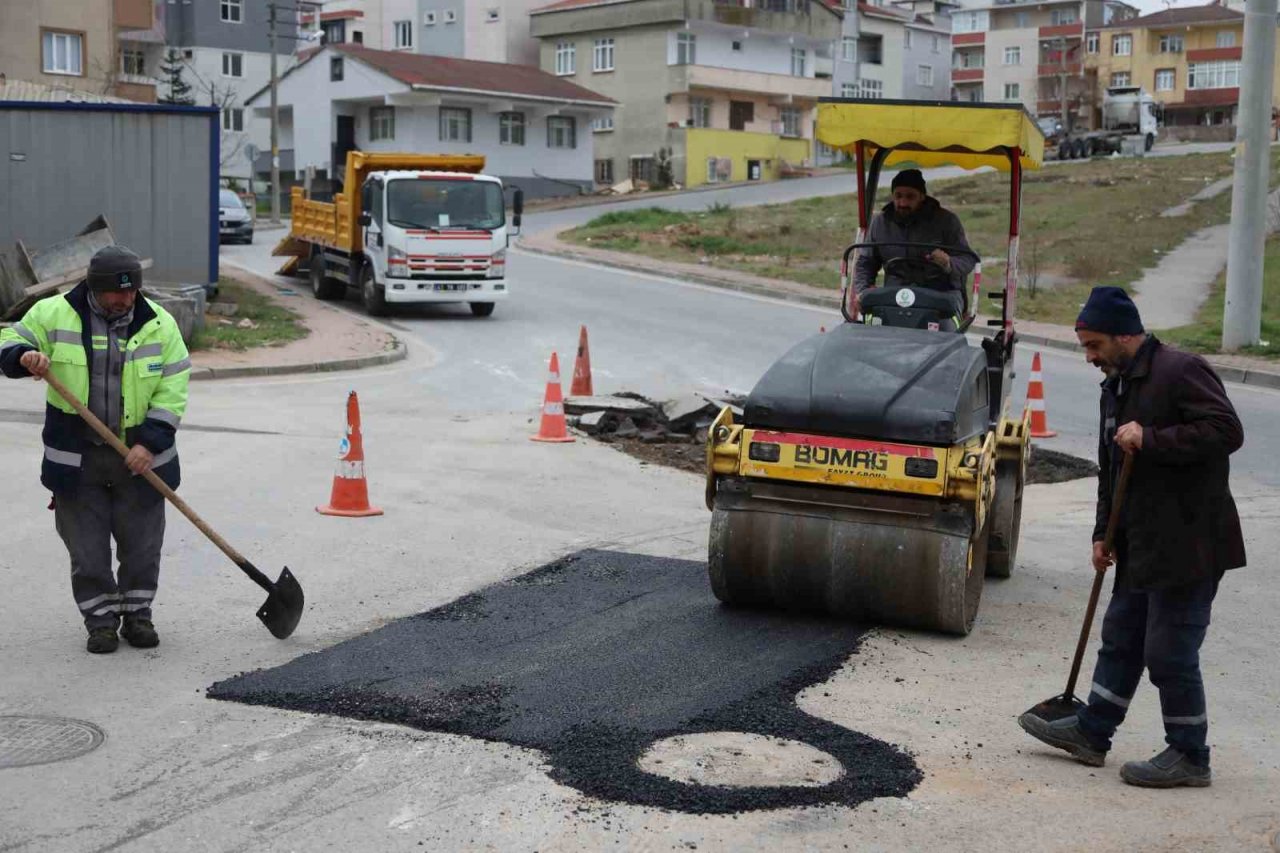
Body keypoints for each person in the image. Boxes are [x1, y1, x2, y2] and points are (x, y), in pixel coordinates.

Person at [1019, 286, 1245, 788]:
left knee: (1169, 651)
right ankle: (1092, 731)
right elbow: (1111, 468)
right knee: (1121, 638)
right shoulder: (1116, 387)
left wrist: (1153, 438)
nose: (1089, 357)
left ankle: (1190, 755)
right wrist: (1104, 533)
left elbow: (1227, 431)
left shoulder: (1181, 370)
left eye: (1094, 345)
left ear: (1124, 335)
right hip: (1140, 539)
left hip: (1190, 540)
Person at [0, 245, 190, 654]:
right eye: (117, 292)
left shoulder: (160, 324)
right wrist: (22, 356)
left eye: (132, 290)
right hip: (78, 458)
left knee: (142, 547)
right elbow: (7, 337)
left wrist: (148, 443)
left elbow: (173, 388)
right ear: (94, 287)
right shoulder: (53, 314)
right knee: (87, 551)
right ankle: (101, 622)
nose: (126, 299)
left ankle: (138, 616)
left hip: (139, 458)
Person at [851, 168, 976, 321]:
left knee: (946, 322)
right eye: (898, 196)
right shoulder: (881, 223)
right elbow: (865, 262)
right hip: (895, 296)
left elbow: (967, 259)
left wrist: (948, 263)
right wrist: (862, 291)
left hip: (939, 296)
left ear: (922, 196)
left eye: (910, 197)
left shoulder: (946, 221)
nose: (903, 203)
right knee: (872, 324)